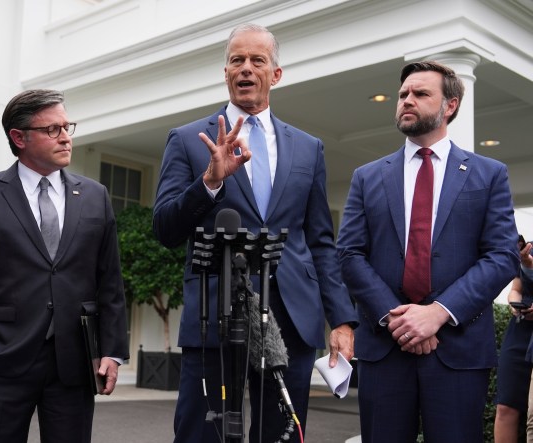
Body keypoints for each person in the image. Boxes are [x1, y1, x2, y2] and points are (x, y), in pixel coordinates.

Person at [153, 23, 357, 442]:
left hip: (292, 314)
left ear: (275, 74)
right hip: (215, 313)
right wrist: (209, 183)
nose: (246, 68)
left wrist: (342, 319)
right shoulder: (189, 141)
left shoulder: (309, 148)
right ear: (225, 72)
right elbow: (166, 228)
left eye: (257, 60)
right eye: (236, 60)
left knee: (280, 434)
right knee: (202, 433)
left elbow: (320, 241)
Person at [336, 60, 519, 443]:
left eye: (420, 94)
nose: (407, 100)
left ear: (449, 105)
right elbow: (350, 254)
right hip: (385, 349)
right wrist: (399, 320)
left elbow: (502, 256)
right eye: (403, 94)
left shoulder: (489, 174)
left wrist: (438, 313)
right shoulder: (367, 176)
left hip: (458, 351)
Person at [0, 89, 129, 443]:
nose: (65, 137)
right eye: (52, 129)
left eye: (67, 126)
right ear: (19, 137)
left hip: (74, 362)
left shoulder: (95, 196)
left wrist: (112, 351)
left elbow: (110, 282)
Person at [496, 236, 533, 443]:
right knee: (506, 404)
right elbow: (516, 290)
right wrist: (514, 304)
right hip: (521, 329)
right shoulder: (529, 248)